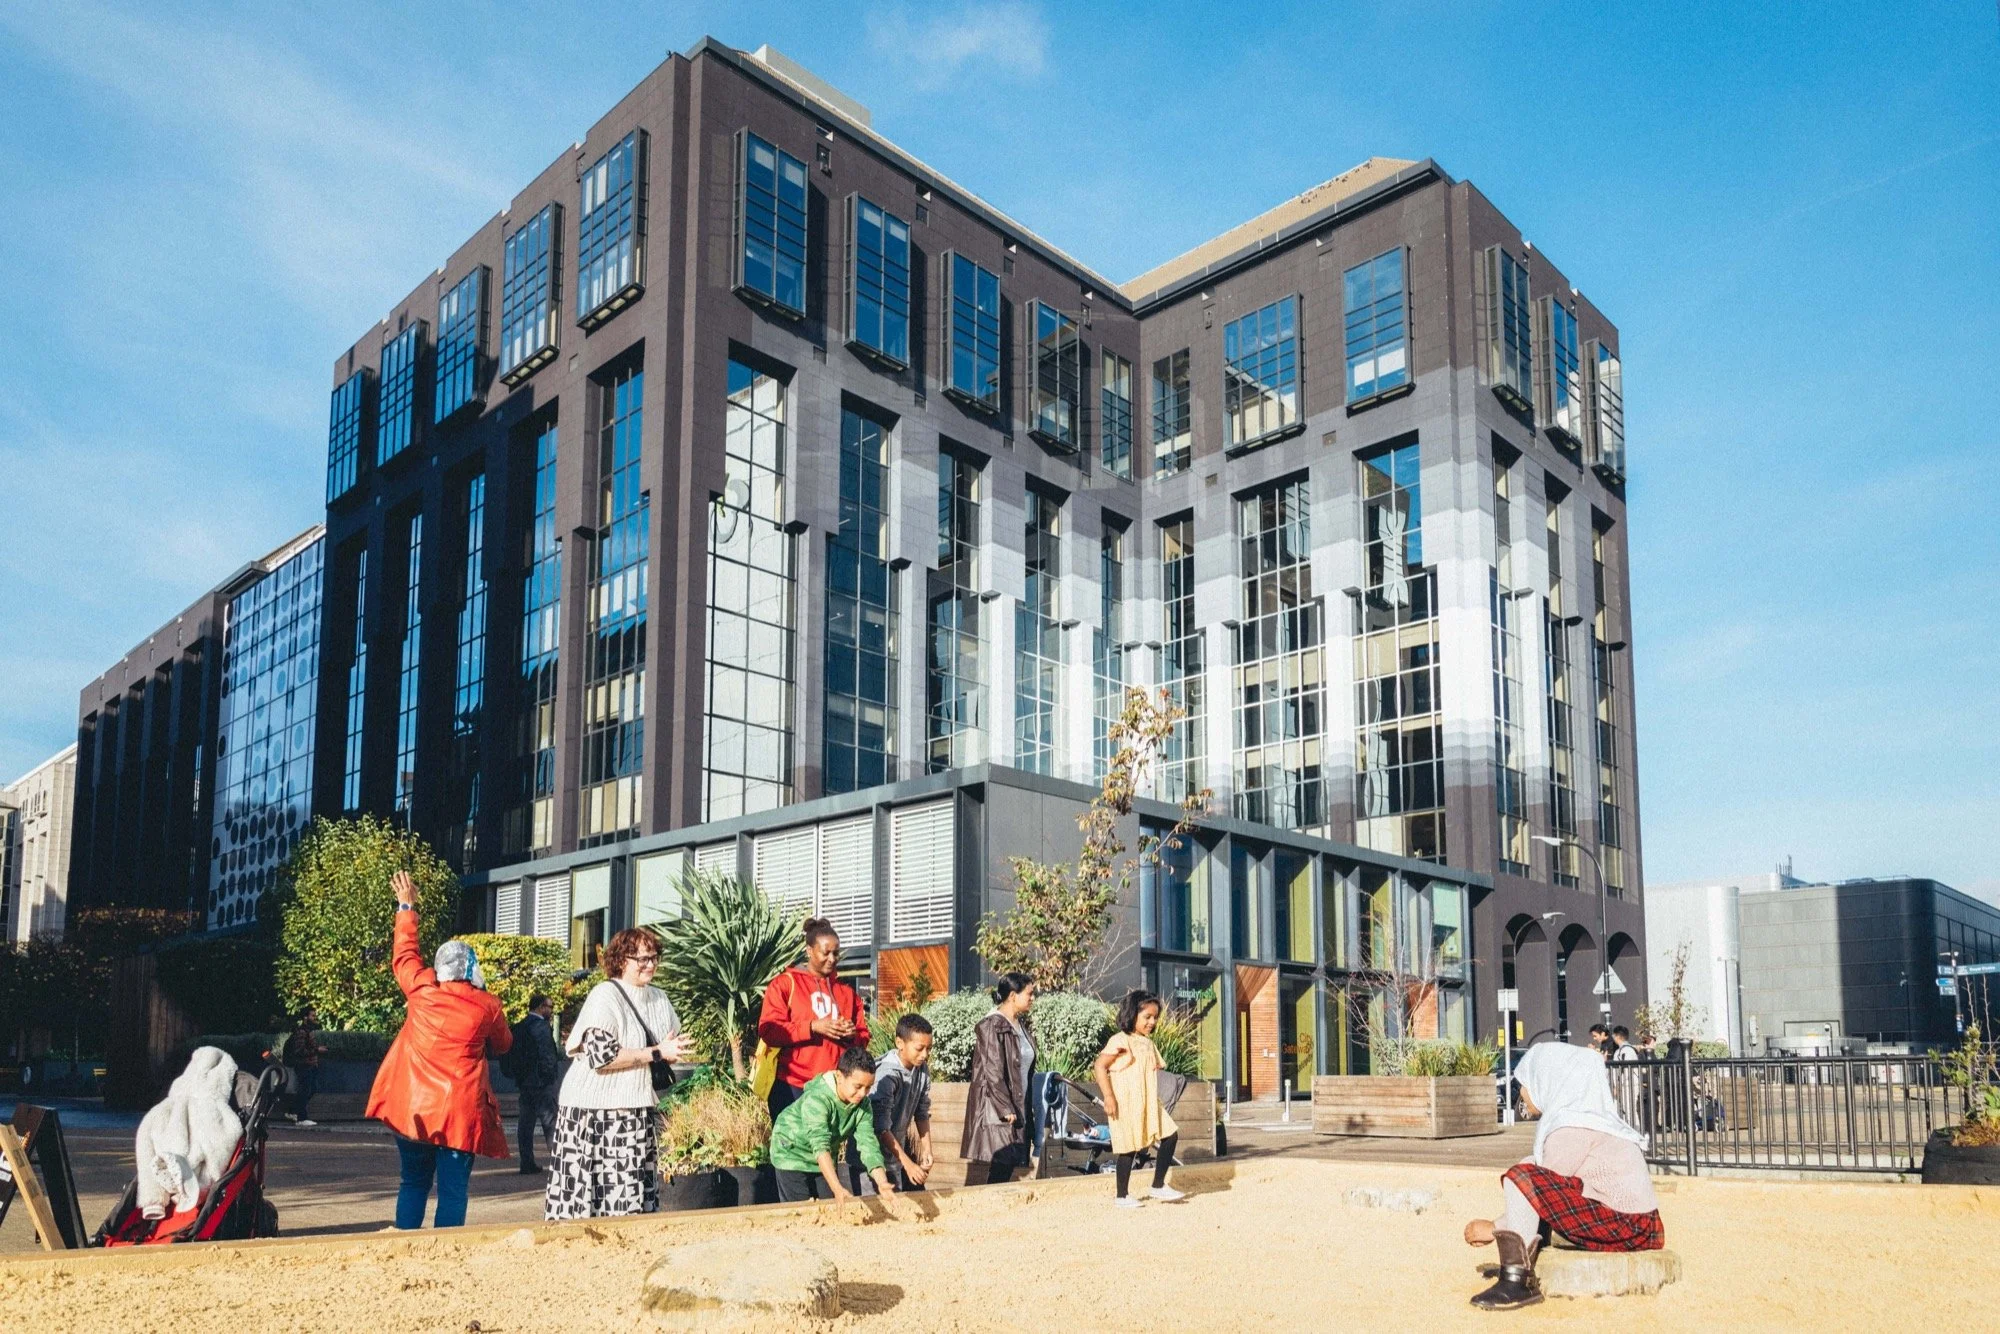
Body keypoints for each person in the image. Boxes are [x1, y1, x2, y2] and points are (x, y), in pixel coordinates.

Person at [1463, 1042, 1665, 1310]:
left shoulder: (1573, 1126)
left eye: (1526, 1083)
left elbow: (1536, 1188)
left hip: (1626, 1225)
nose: (1522, 1092)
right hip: (1641, 1225)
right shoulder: (1593, 1119)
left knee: (1522, 1176)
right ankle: (1533, 1248)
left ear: (1550, 1080)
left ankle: (1516, 1281)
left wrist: (1493, 1228)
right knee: (1533, 1170)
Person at [365, 870, 513, 1230]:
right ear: (473, 969)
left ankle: (405, 1243)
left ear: (439, 969)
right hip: (458, 1114)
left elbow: (404, 953)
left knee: (412, 1182)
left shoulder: (422, 990)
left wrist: (407, 905)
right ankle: (445, 1251)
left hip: (412, 1109)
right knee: (453, 1191)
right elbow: (504, 1045)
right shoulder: (488, 1005)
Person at [546, 928, 688, 1220]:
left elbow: (670, 1042)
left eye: (655, 957)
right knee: (590, 1200)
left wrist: (668, 1051)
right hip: (594, 1113)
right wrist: (657, 1052)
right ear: (622, 960)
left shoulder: (660, 999)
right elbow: (602, 1057)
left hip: (637, 1107)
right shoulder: (605, 995)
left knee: (631, 1195)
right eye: (643, 958)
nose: (651, 964)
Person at [757, 917, 870, 1122]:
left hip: (832, 1089)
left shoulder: (847, 993)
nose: (832, 959)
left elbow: (863, 1036)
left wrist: (851, 1036)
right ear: (809, 951)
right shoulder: (785, 984)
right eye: (825, 952)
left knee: (825, 1150)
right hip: (792, 1087)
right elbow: (768, 1030)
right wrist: (813, 1027)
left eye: (836, 953)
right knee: (792, 1151)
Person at [771, 1046, 900, 1202]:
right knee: (800, 1210)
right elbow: (820, 1145)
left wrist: (882, 1182)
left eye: (868, 1087)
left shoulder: (863, 1105)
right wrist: (837, 1188)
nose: (863, 1094)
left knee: (831, 1204)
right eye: (858, 1086)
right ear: (839, 1077)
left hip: (823, 1157)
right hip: (791, 1151)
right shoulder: (818, 1099)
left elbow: (868, 1145)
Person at [1093, 989, 1183, 1209]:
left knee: (1170, 1134)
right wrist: (1109, 1097)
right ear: (1132, 1014)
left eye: (1155, 1017)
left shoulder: (1147, 1043)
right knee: (1129, 1147)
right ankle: (1122, 1196)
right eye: (1147, 1017)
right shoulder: (1120, 1040)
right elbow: (1099, 1066)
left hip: (1148, 1102)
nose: (1152, 1022)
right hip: (1126, 1102)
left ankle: (1158, 1185)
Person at [963, 972, 1038, 1184]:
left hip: (1018, 1102)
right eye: (1029, 994)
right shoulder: (991, 1025)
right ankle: (989, 1210)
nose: (1033, 998)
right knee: (1001, 1164)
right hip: (999, 1106)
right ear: (1013, 996)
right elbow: (993, 1070)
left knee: (1006, 1164)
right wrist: (1005, 1107)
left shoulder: (1019, 1025)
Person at [865, 1013, 935, 1193]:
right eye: (919, 1048)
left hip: (895, 1157)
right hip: (870, 1161)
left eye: (929, 1048)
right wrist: (908, 1164)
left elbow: (921, 1112)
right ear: (899, 1043)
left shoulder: (921, 1069)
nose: (924, 1055)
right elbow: (880, 1128)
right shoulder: (886, 1076)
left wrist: (927, 1149)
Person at [510, 993, 562, 1174]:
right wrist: (550, 1077)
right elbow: (547, 1054)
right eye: (549, 1007)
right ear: (540, 1007)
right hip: (541, 1082)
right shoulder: (541, 1026)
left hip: (524, 1082)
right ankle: (559, 1163)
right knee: (550, 1122)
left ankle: (526, 1162)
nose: (551, 1011)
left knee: (525, 1124)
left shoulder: (520, 1026)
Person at [282, 1008, 328, 1127]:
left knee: (311, 1089)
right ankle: (301, 1118)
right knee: (305, 1090)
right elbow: (299, 1050)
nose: (314, 1018)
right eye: (312, 1016)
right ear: (305, 1017)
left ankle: (293, 1111)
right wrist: (317, 1050)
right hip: (303, 1065)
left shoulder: (308, 1031)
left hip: (310, 1064)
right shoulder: (301, 1032)